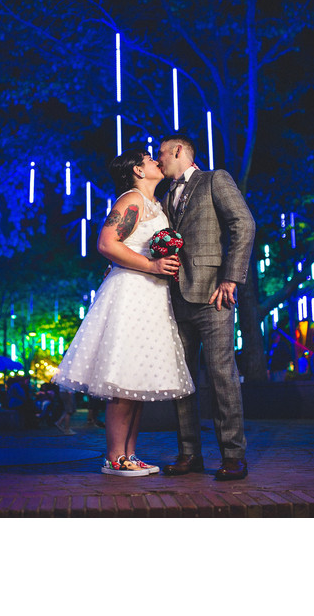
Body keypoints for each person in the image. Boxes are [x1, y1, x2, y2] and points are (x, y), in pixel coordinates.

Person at [54, 148, 195, 476]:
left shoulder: (154, 205)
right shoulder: (130, 200)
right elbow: (106, 243)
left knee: (136, 379)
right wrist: (152, 264)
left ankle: (129, 454)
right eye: (148, 159)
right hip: (131, 294)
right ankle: (115, 457)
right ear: (137, 170)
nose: (155, 161)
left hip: (151, 295)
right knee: (122, 381)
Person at [156, 134, 256, 481]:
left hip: (215, 294)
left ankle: (233, 456)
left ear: (179, 151)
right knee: (182, 381)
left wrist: (231, 278)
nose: (159, 161)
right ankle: (189, 454)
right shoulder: (164, 196)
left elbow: (243, 224)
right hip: (175, 297)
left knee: (221, 377)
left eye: (162, 154)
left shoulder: (215, 179)